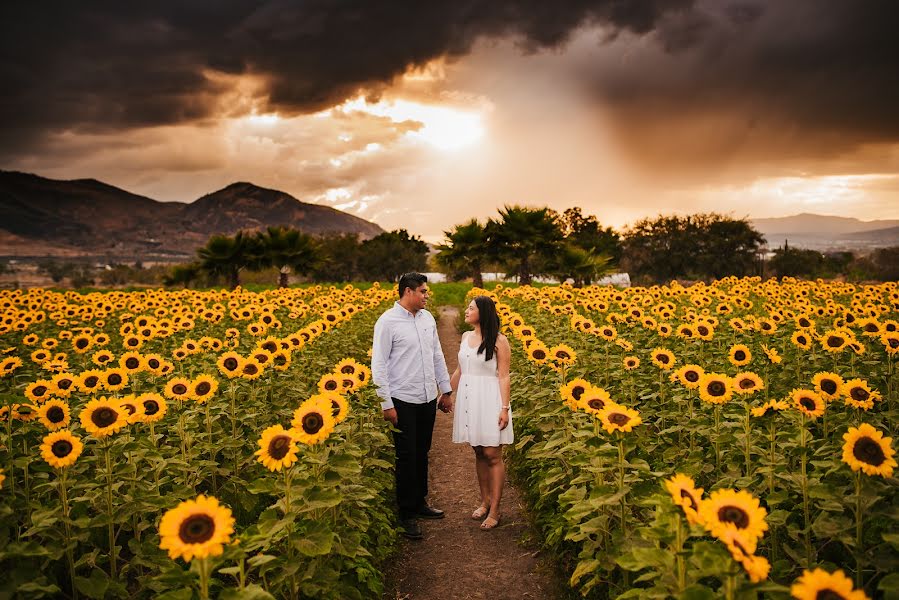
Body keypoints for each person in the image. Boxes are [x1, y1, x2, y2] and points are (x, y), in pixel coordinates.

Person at [371, 273, 452, 539]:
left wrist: (445, 390)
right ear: (408, 292)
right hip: (402, 399)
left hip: (427, 396)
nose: (427, 295)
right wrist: (386, 403)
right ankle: (406, 514)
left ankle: (420, 503)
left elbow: (437, 354)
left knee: (422, 451)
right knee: (406, 456)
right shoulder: (387, 322)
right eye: (423, 291)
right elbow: (379, 365)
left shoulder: (427, 319)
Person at [447, 295, 513, 530]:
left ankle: (495, 509)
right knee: (478, 451)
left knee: (492, 454)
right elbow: (459, 370)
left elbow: (504, 376)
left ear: (482, 312)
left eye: (471, 308)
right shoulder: (466, 337)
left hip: (491, 399)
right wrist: (446, 393)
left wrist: (504, 409)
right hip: (469, 399)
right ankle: (484, 501)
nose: (466, 310)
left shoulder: (499, 340)